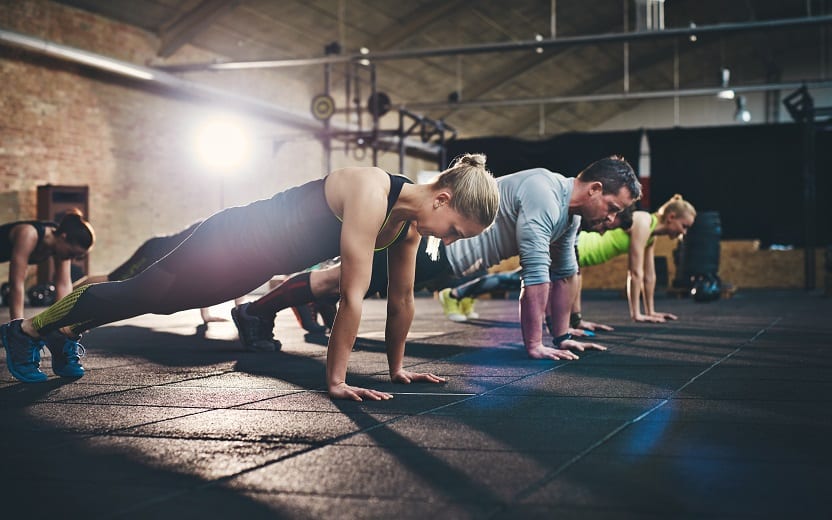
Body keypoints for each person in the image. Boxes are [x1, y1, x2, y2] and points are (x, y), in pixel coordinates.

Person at [1, 155, 500, 401]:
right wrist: (337, 381)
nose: (451, 241)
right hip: (233, 236)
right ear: (443, 200)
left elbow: (402, 300)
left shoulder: (407, 226)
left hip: (253, 263)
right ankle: (26, 331)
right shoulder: (372, 190)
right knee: (143, 293)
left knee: (161, 303)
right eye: (456, 231)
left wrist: (396, 370)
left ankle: (68, 330)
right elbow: (351, 295)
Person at [231, 155, 641, 361]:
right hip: (438, 245)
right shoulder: (544, 192)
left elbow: (566, 273)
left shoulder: (567, 217)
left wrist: (566, 331)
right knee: (341, 281)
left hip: (451, 258)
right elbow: (535, 276)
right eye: (613, 207)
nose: (613, 218)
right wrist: (535, 343)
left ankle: (307, 300)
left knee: (343, 280)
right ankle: (254, 311)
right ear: (594, 189)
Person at [73, 221, 251, 327]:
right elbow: (211, 273)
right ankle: (68, 294)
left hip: (163, 253)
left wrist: (207, 316)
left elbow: (212, 275)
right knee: (114, 279)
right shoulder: (219, 236)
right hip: (154, 252)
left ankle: (68, 293)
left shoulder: (226, 240)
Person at [569, 194, 697, 327]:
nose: (684, 232)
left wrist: (650, 311)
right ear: (671, 217)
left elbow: (649, 276)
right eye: (684, 226)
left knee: (574, 282)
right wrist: (636, 314)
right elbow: (635, 272)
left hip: (584, 255)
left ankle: (575, 321)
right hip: (584, 247)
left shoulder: (651, 234)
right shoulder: (643, 221)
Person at [0, 209, 95, 379]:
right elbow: (16, 284)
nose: (71, 258)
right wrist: (19, 332)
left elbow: (64, 284)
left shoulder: (60, 243)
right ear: (64, 236)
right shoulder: (29, 234)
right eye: (72, 254)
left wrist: (67, 322)